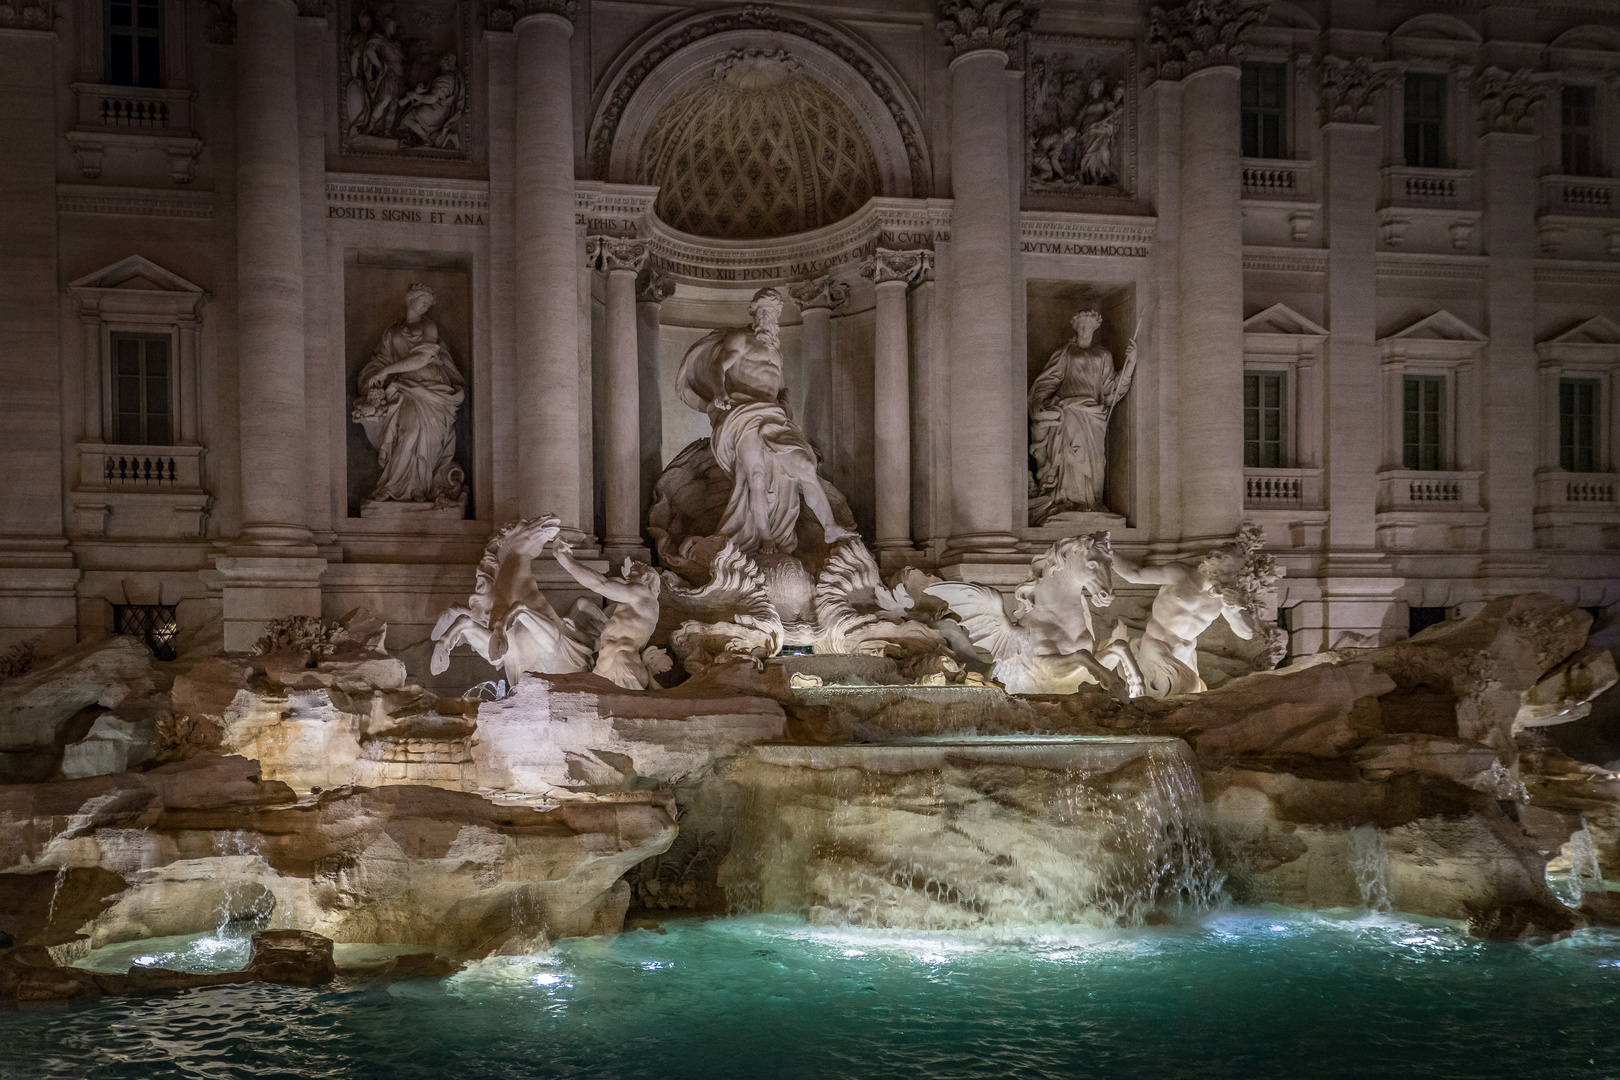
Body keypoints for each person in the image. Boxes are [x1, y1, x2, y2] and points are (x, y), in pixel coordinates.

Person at [675, 287, 859, 554]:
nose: (767, 317)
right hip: (743, 413)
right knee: (756, 476)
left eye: (772, 312)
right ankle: (765, 537)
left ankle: (829, 527)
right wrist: (719, 392)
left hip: (774, 416)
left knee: (805, 466)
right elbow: (719, 367)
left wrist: (786, 404)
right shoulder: (741, 339)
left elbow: (777, 386)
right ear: (754, 314)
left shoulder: (776, 351)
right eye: (762, 311)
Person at [353, 284, 465, 506]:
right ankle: (393, 487)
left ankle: (419, 489)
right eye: (421, 301)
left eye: (428, 304)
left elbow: (422, 358)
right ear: (409, 299)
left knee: (426, 439)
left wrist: (386, 371)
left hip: (432, 389)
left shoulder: (429, 326)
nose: (425, 307)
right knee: (409, 432)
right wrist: (373, 377)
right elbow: (380, 361)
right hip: (404, 389)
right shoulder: (392, 332)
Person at [1029, 309, 1136, 519]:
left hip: (1094, 416)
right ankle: (1065, 500)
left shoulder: (1103, 355)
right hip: (1069, 412)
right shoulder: (1066, 352)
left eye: (1089, 325)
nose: (1085, 329)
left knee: (1095, 462)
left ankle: (1090, 501)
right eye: (1081, 325)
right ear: (1075, 327)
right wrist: (1039, 403)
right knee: (1070, 458)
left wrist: (1131, 362)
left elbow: (1111, 390)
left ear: (1096, 327)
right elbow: (1047, 380)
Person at [552, 540, 666, 690]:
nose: (627, 580)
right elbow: (605, 639)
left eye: (633, 574)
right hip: (606, 665)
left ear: (647, 577)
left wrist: (566, 561)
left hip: (624, 666)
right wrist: (577, 633)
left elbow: (600, 584)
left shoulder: (643, 594)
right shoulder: (635, 604)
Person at [398, 53, 463, 149]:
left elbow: (432, 98)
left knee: (408, 119)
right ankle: (449, 136)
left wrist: (415, 95)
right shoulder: (449, 76)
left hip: (437, 111)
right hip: (440, 111)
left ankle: (427, 141)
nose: (439, 61)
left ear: (445, 62)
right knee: (414, 119)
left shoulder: (444, 78)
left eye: (441, 59)